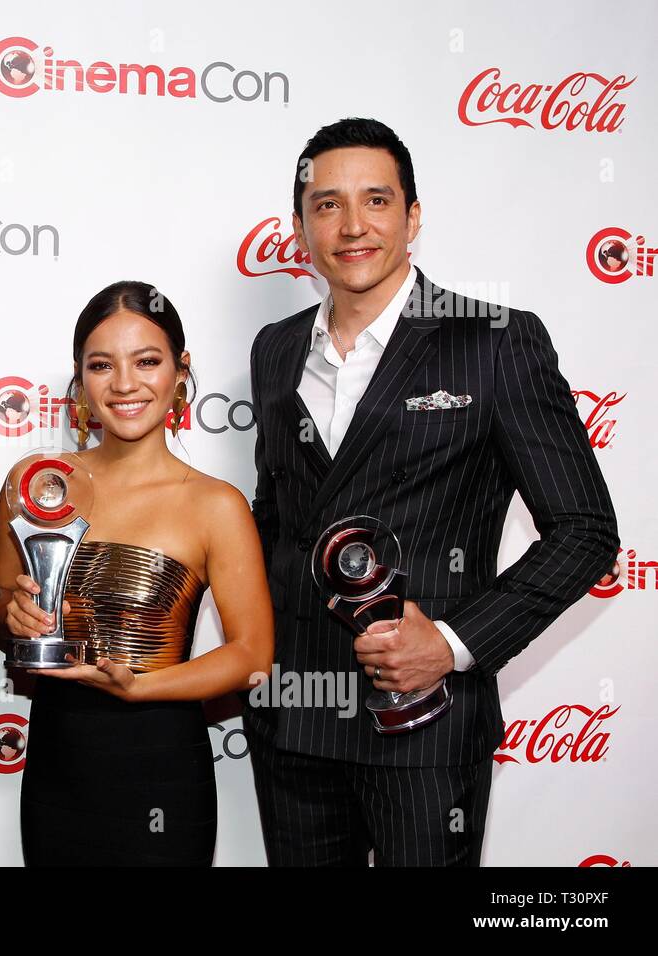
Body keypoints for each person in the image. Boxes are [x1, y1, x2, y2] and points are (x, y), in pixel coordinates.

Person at [246, 117, 619, 866]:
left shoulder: (494, 341)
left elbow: (585, 532)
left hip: (423, 722)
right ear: (299, 226)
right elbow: (276, 516)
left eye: (376, 201)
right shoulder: (277, 347)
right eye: (327, 205)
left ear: (413, 217)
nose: (352, 226)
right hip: (293, 721)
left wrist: (449, 647)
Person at [0, 281, 274, 866]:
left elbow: (251, 657)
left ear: (180, 371)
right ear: (79, 380)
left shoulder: (215, 505)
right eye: (102, 365)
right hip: (56, 765)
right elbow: (1, 607)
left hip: (162, 766)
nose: (124, 384)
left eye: (147, 361)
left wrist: (140, 686)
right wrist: (12, 613)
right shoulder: (36, 484)